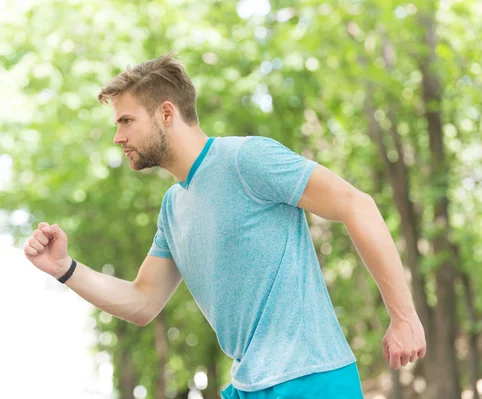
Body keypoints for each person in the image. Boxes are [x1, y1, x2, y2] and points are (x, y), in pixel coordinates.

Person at [24, 52, 426, 398]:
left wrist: (404, 317)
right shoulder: (173, 207)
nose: (118, 136)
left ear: (166, 112)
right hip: (247, 387)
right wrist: (65, 269)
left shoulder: (245, 160)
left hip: (310, 380)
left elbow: (357, 204)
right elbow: (142, 301)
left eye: (126, 121)